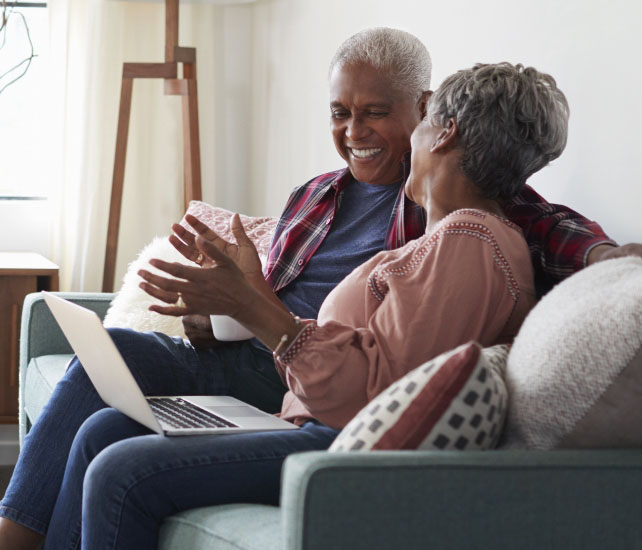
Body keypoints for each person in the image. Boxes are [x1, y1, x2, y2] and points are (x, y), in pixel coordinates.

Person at [0, 27, 633, 549]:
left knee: (117, 463)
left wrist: (605, 255)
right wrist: (219, 306)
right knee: (102, 414)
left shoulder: (468, 232)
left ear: (432, 122)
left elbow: (534, 220)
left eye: (379, 115)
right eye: (341, 113)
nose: (355, 130)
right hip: (271, 366)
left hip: (312, 402)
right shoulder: (326, 197)